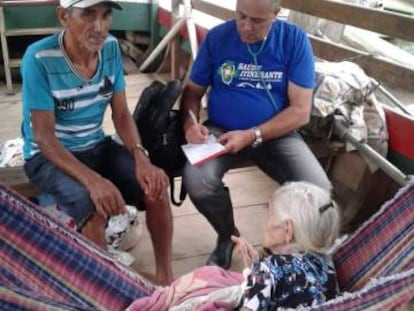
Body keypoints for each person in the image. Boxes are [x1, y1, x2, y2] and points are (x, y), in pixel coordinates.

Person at [21, 0, 172, 285]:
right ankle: (109, 290)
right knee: (92, 208)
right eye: (88, 14)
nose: (99, 26)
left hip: (96, 144)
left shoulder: (112, 48)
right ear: (64, 16)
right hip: (48, 155)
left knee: (156, 187)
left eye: (105, 15)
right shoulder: (38, 58)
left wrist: (142, 158)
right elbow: (44, 137)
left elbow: (122, 114)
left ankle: (166, 280)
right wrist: (94, 181)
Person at [180, 0, 331, 270]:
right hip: (221, 130)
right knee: (198, 179)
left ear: (276, 15)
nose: (246, 27)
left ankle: (286, 250)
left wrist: (252, 135)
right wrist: (190, 124)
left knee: (320, 192)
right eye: (241, 16)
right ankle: (227, 238)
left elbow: (300, 112)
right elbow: (192, 92)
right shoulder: (218, 38)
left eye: (257, 21)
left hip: (276, 133)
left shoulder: (294, 40)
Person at [233, 181, 340, 310]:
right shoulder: (327, 267)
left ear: (287, 230)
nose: (265, 222)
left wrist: (256, 275)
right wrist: (253, 270)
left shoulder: (269, 268)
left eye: (270, 215)